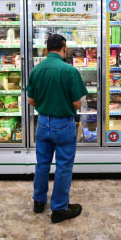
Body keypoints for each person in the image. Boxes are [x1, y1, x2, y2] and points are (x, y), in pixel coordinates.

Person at [27, 34, 88, 224]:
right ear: (64, 48)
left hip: (43, 123)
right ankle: (59, 209)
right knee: (63, 166)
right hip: (64, 124)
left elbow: (30, 101)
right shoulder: (69, 71)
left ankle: (38, 201)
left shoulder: (36, 70)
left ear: (46, 50)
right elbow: (77, 104)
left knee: (42, 164)